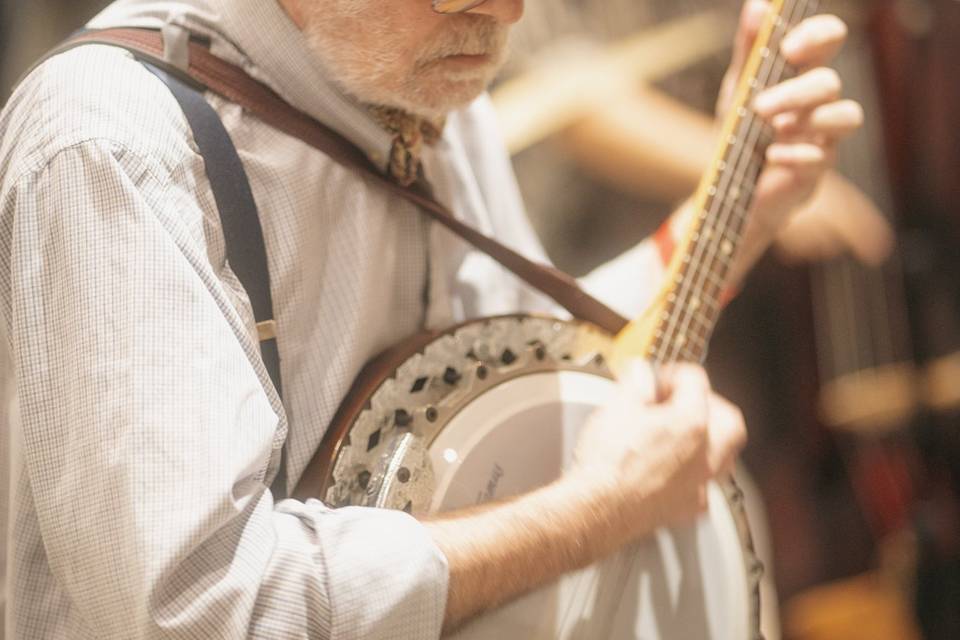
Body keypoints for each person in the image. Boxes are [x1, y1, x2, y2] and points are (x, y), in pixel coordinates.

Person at [0, 0, 861, 637]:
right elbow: (204, 611)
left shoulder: (435, 85)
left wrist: (735, 217)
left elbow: (527, 381)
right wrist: (594, 510)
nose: (504, 12)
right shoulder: (113, 141)